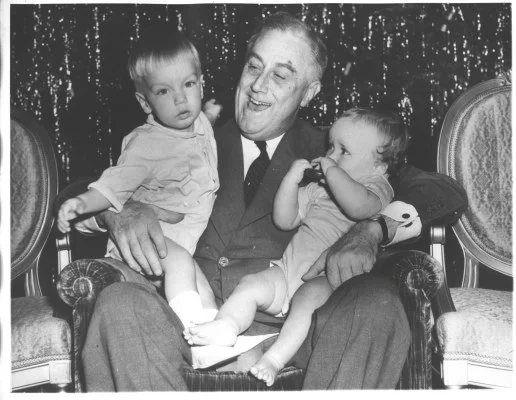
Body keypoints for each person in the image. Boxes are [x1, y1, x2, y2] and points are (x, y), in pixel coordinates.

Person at [75, 11, 466, 390]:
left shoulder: (335, 150)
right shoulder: (187, 135)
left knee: (376, 303)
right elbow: (80, 190)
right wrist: (116, 212)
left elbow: (441, 191)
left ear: (309, 92)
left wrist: (373, 229)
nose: (258, 86)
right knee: (118, 304)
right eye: (253, 67)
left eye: (280, 75)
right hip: (184, 330)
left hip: (292, 337)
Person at [184, 108, 409, 386]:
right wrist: (291, 180)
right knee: (251, 285)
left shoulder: (377, 187)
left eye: (344, 151)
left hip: (324, 281)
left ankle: (274, 359)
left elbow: (358, 206)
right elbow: (285, 219)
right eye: (331, 147)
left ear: (380, 167)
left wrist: (331, 170)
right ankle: (227, 325)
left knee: (304, 305)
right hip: (287, 270)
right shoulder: (319, 189)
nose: (331, 156)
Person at [57, 31, 224, 327]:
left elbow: (202, 128)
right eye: (164, 91)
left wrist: (210, 112)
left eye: (188, 84)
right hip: (143, 243)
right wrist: (81, 203)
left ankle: (210, 337)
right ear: (145, 102)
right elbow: (111, 187)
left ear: (201, 83)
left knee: (204, 293)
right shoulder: (146, 146)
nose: (181, 99)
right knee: (183, 267)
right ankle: (192, 329)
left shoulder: (198, 122)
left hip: (178, 247)